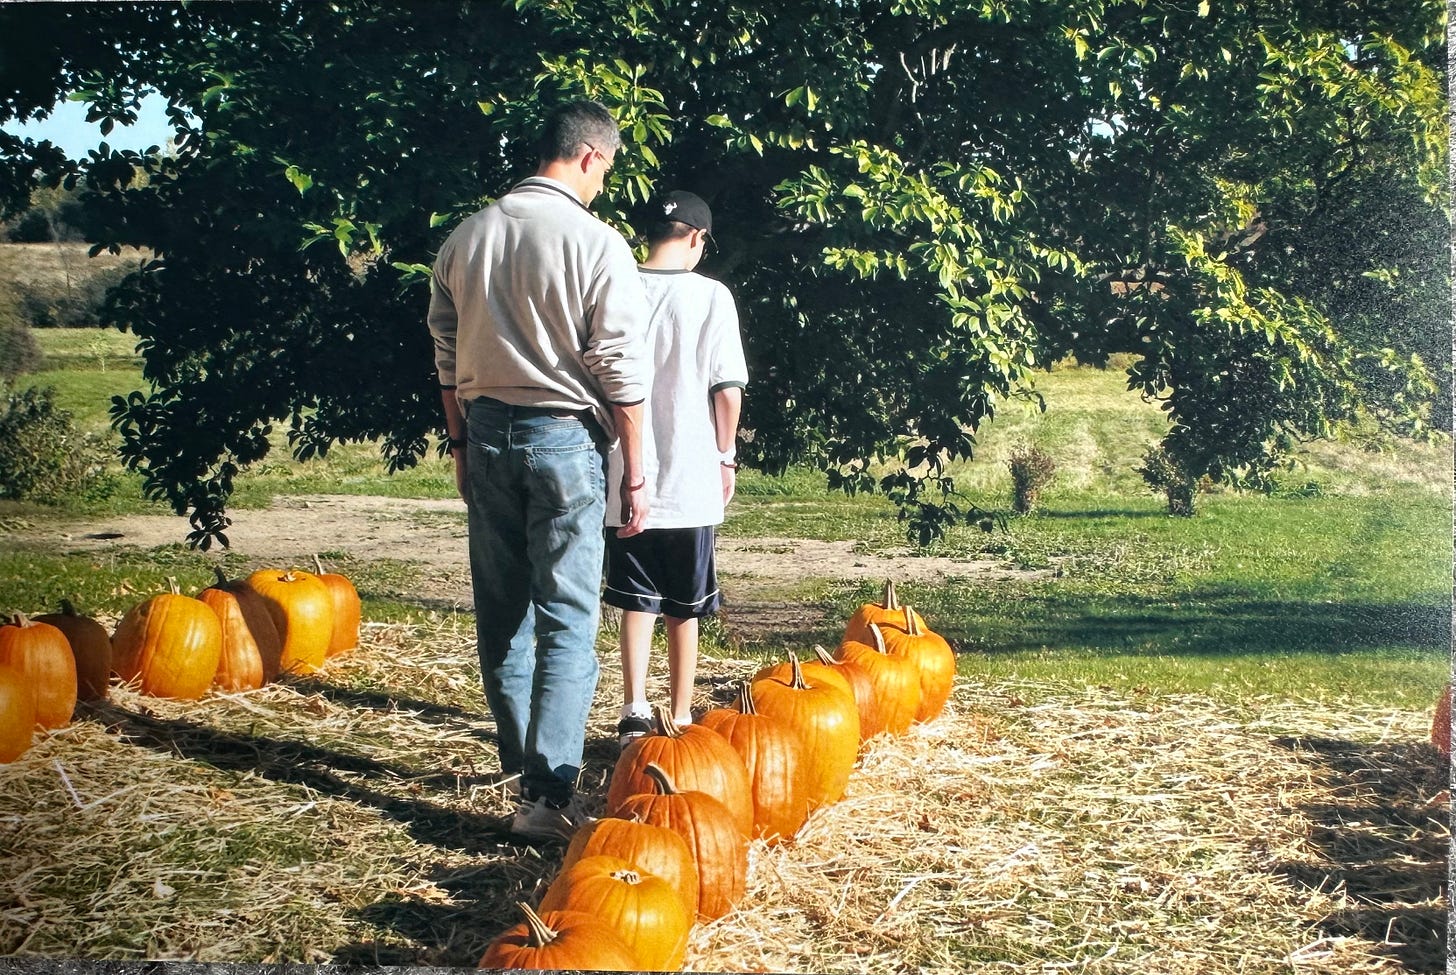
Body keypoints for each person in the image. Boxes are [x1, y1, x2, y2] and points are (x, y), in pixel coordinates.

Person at [426, 100, 651, 843]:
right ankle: (547, 796)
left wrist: (459, 445)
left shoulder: (468, 235)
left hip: (485, 432)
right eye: (607, 169)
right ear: (590, 155)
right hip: (564, 439)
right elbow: (619, 365)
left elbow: (445, 350)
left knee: (503, 616)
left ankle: (524, 774)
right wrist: (638, 470)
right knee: (567, 618)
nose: (603, 183)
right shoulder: (596, 242)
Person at [603, 190, 748, 749]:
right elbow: (727, 389)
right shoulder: (712, 296)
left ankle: (633, 708)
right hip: (689, 475)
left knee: (633, 597)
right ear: (696, 237)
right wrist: (725, 453)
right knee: (685, 605)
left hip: (624, 470)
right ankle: (681, 713)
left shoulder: (618, 288)